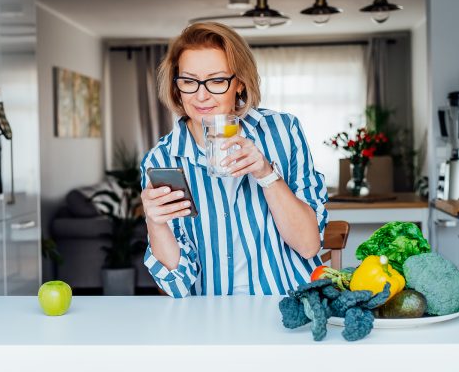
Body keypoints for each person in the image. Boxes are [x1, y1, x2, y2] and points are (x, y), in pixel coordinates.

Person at [140, 22, 328, 297]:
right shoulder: (161, 159)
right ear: (176, 86)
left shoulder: (283, 131)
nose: (201, 95)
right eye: (189, 81)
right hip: (210, 315)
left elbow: (309, 246)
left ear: (239, 83)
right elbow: (176, 285)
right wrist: (155, 223)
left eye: (217, 80)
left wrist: (266, 174)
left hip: (287, 304)